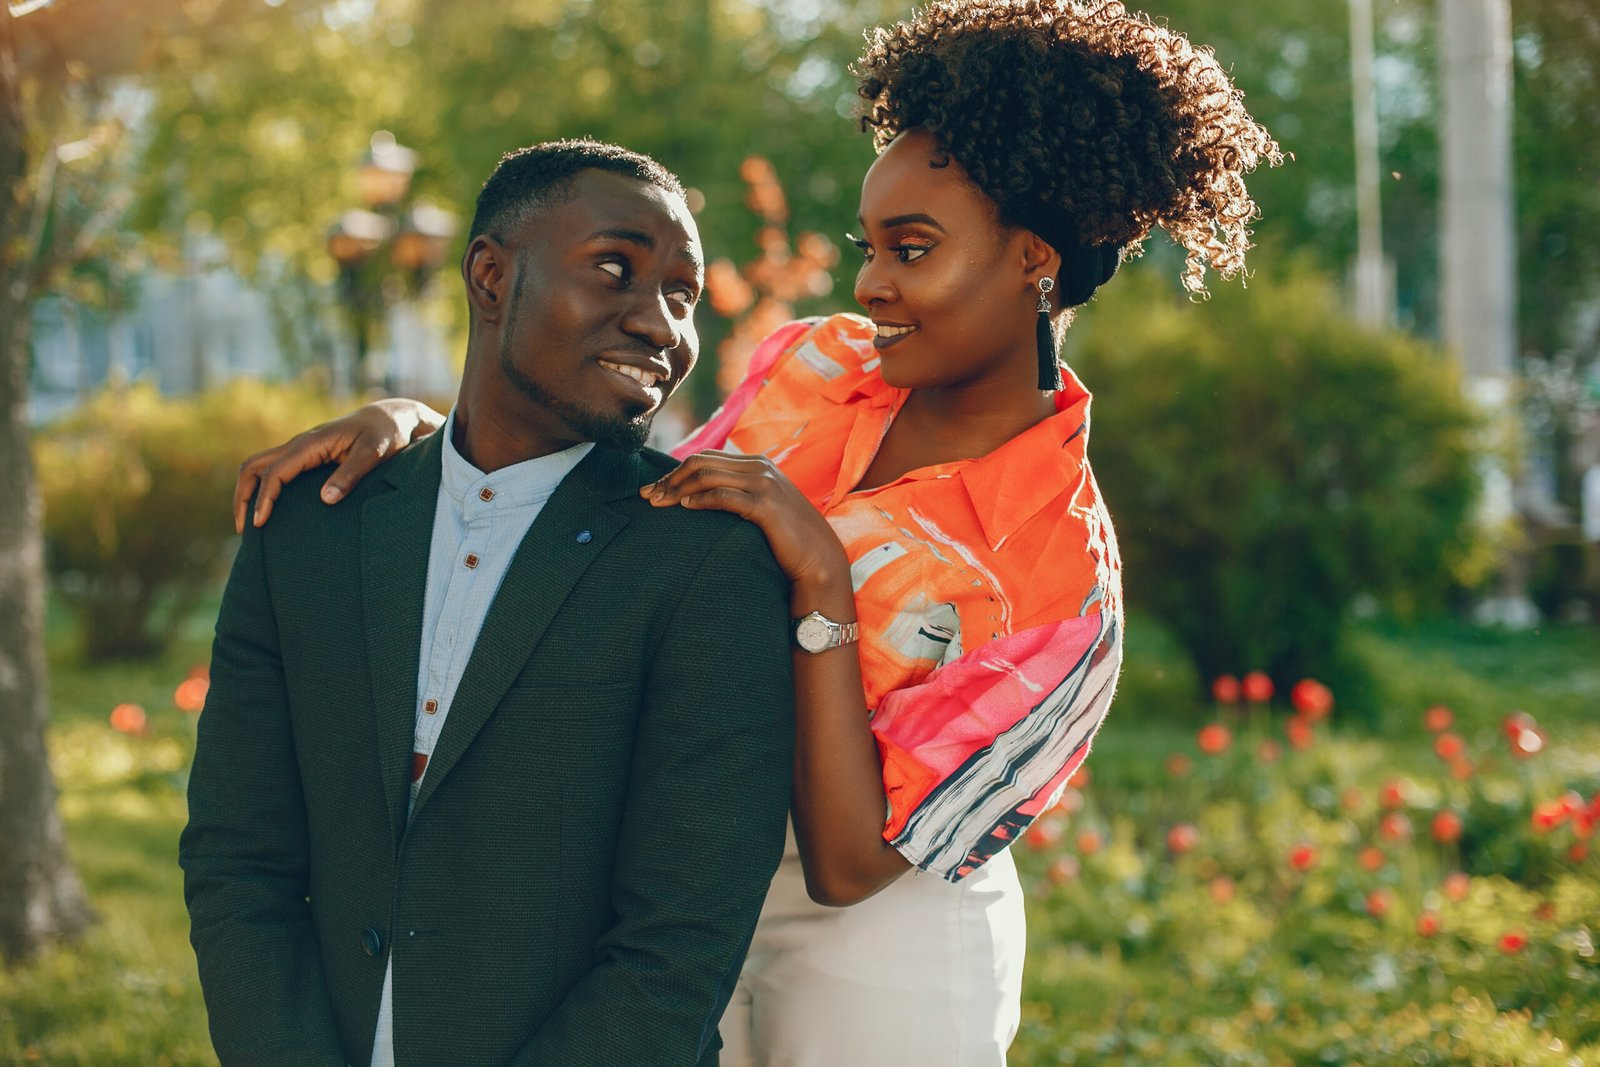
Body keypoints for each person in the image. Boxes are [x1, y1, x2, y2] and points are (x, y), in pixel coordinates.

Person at [233, 3, 1279, 1063]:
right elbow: (622, 491)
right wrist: (422, 433)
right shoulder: (814, 367)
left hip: (880, 947)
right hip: (671, 877)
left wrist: (822, 583)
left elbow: (847, 860)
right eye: (869, 246)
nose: (871, 284)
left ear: (1033, 264)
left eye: (911, 249)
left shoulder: (1060, 582)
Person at [180, 139, 798, 1067]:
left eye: (682, 295)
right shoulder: (309, 526)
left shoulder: (706, 558)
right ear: (489, 276)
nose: (661, 325)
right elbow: (239, 861)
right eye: (615, 269)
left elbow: (680, 945)